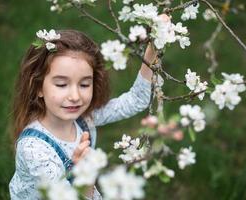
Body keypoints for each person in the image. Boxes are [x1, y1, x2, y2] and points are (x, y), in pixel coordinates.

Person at [9, 28, 157, 200]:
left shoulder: (83, 119)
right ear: (38, 87)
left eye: (84, 84)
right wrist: (86, 178)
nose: (75, 97)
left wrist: (152, 49)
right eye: (62, 85)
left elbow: (136, 100)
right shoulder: (34, 150)